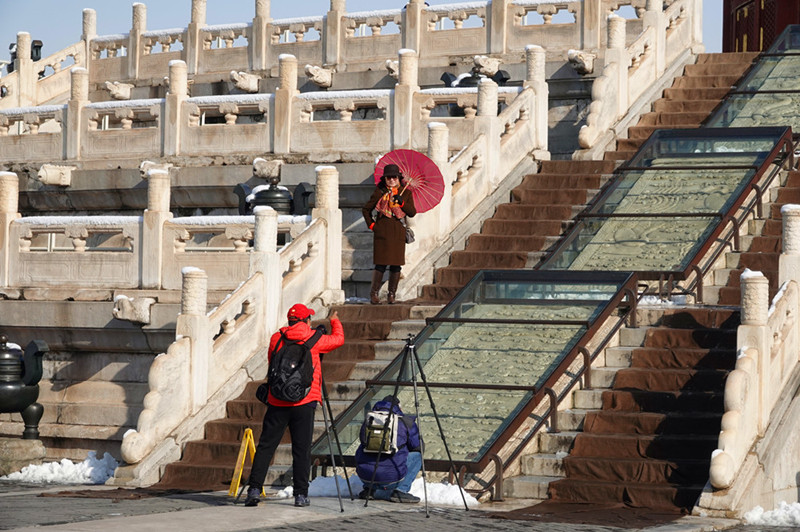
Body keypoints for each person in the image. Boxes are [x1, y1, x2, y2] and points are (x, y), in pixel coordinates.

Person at [244, 303, 344, 508]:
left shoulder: (277, 338)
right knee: (301, 449)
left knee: (266, 446)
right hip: (305, 401)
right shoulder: (314, 339)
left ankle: (254, 489)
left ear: (290, 321)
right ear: (306, 320)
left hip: (277, 400)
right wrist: (334, 320)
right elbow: (338, 340)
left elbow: (273, 363)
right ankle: (300, 495)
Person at [362, 163, 417, 305]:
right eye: (388, 178)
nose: (391, 180)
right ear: (385, 179)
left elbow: (412, 212)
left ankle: (391, 294)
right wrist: (372, 225)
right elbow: (366, 210)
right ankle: (374, 293)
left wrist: (401, 202)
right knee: (380, 264)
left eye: (394, 177)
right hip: (382, 232)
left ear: (399, 179)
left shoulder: (406, 193)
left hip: (398, 233)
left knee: (396, 265)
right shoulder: (379, 192)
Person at [355, 395, 422, 503]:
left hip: (366, 478)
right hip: (392, 479)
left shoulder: (368, 420)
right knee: (418, 456)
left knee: (363, 449)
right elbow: (419, 446)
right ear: (398, 407)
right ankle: (401, 490)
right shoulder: (406, 422)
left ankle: (369, 490)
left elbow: (362, 441)